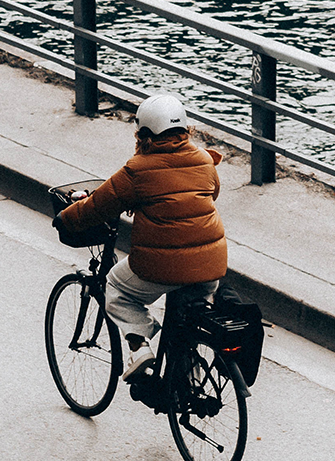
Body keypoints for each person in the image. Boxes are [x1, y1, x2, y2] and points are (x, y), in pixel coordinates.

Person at [55, 93, 227, 380]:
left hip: (162, 268)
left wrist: (66, 218)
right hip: (210, 268)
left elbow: (99, 206)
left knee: (116, 289)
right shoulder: (204, 160)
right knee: (186, 319)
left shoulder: (137, 170)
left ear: (144, 134)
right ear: (185, 129)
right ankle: (188, 379)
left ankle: (139, 345)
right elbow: (211, 194)